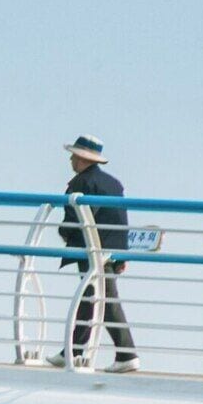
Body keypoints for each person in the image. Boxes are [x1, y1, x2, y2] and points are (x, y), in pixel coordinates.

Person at [60, 135, 137, 371]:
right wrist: (122, 255)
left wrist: (63, 232)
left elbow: (76, 219)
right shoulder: (113, 184)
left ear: (83, 158)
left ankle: (127, 354)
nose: (71, 159)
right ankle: (72, 351)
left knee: (103, 300)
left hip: (92, 250)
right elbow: (121, 220)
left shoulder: (80, 184)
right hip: (111, 250)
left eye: (74, 155)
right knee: (90, 300)